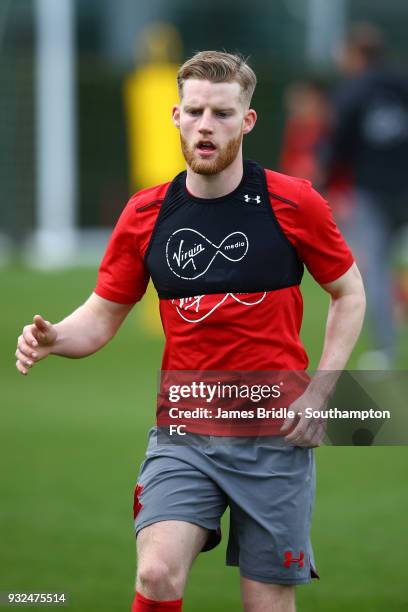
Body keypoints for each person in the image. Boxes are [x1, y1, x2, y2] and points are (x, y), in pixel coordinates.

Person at [15, 51, 366, 612]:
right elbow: (102, 315)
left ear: (247, 121)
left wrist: (322, 391)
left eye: (223, 114)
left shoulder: (293, 201)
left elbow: (350, 293)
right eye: (196, 111)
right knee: (156, 573)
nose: (207, 125)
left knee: (267, 603)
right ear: (175, 116)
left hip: (274, 439)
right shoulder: (146, 214)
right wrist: (56, 337)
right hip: (184, 434)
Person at [323, 23, 408, 368]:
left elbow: (336, 147)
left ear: (355, 55)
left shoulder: (350, 92)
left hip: (371, 193)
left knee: (373, 270)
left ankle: (386, 353)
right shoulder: (402, 83)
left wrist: (326, 186)